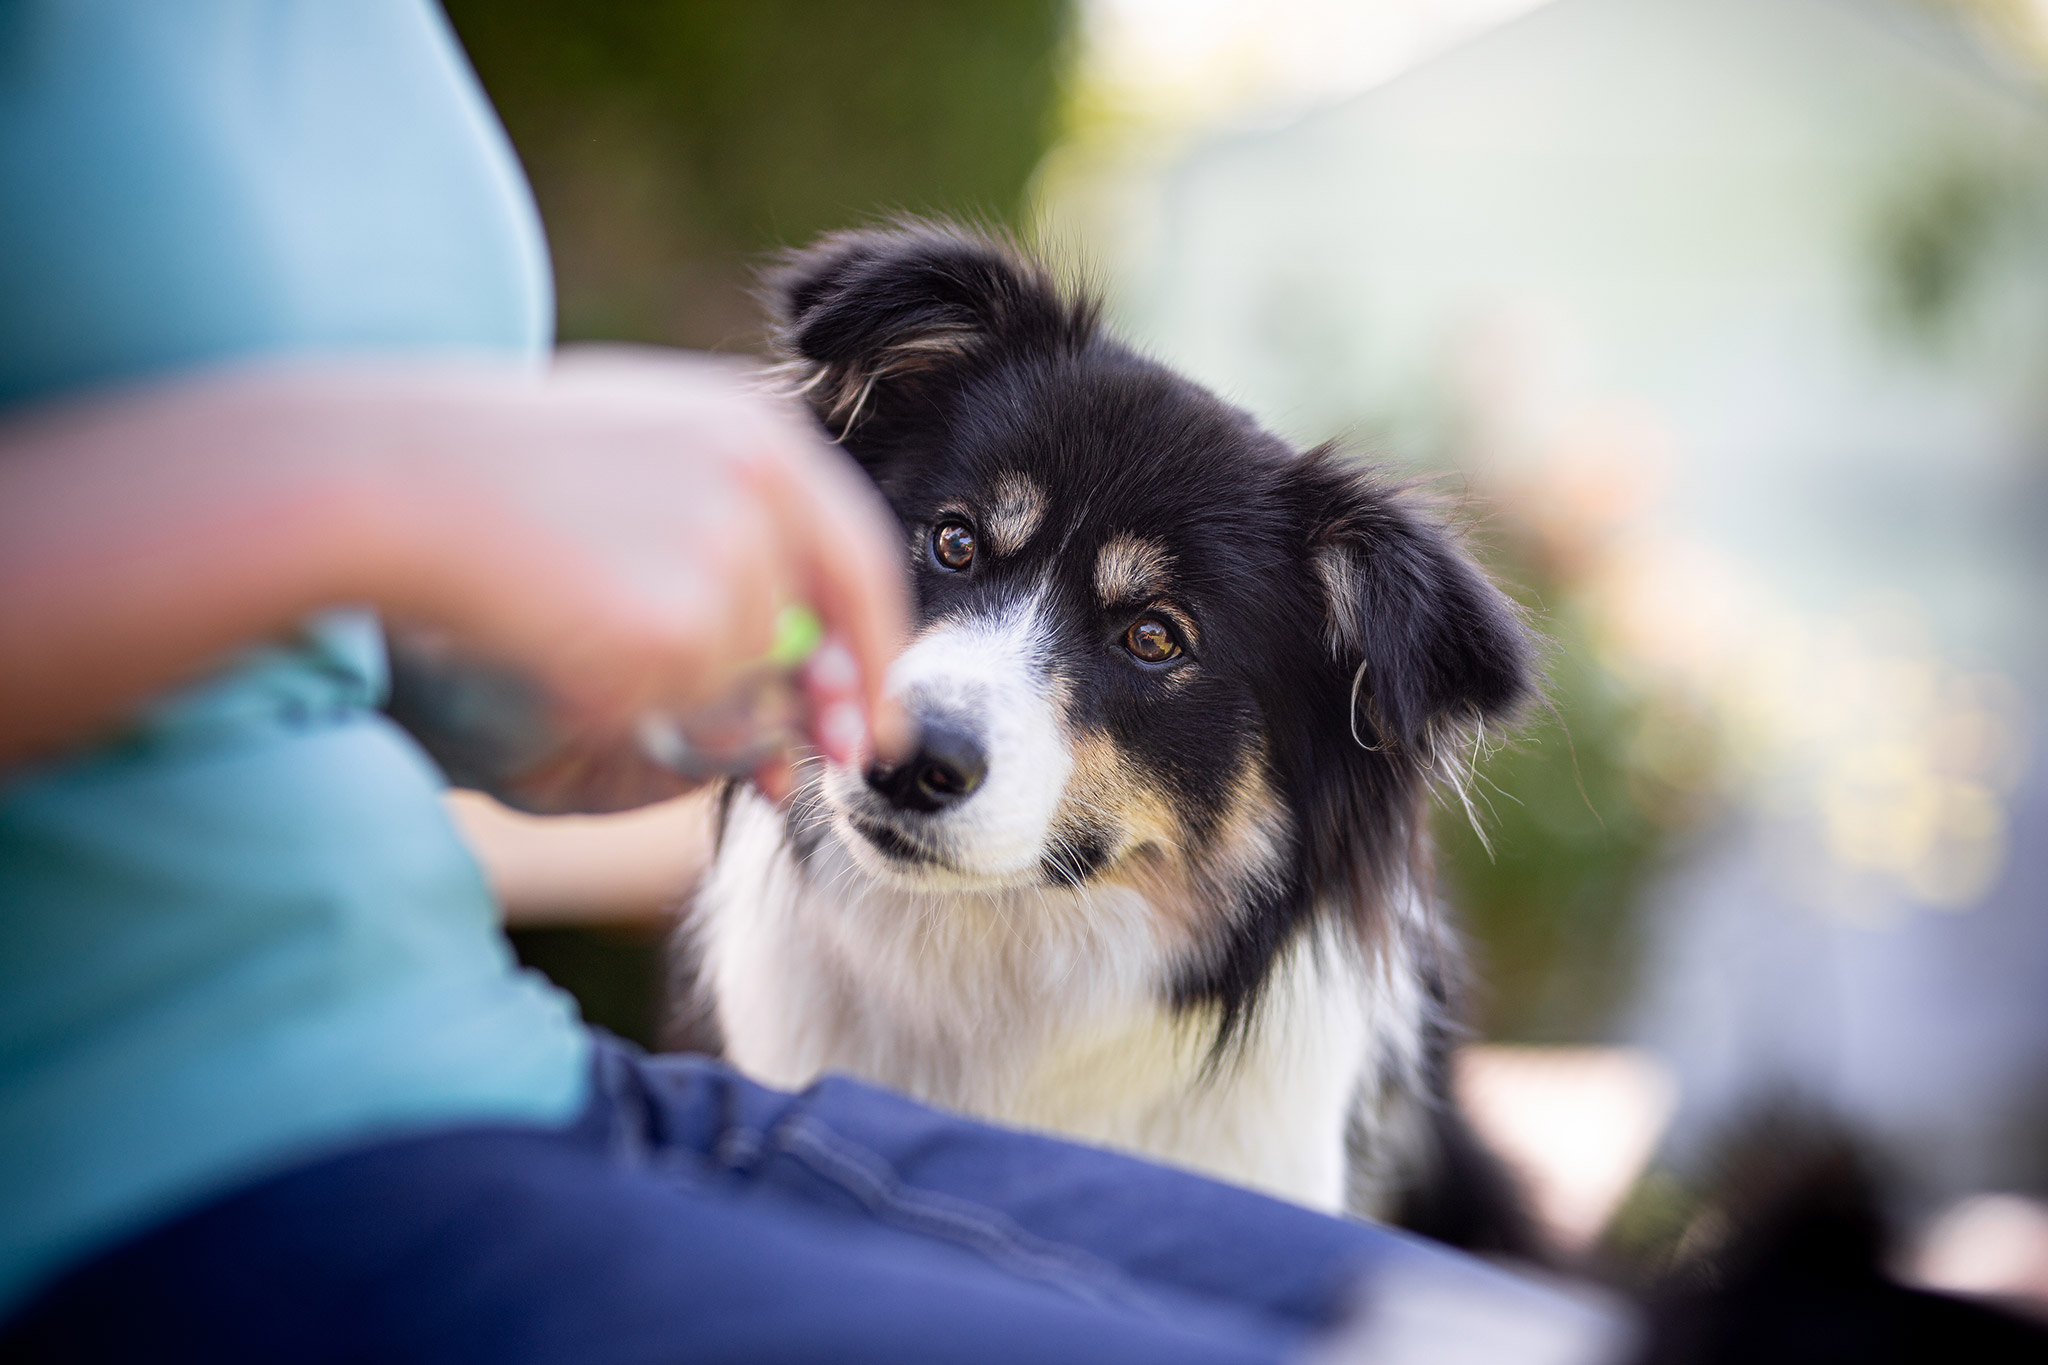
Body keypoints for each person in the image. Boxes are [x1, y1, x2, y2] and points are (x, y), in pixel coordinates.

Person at [0, 5, 1615, 1362]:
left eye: (1151, 642)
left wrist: (514, 707)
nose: (957, 702)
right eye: (959, 545)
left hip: (497, 1066)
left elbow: (292, 657)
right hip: (154, 1150)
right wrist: (397, 486)